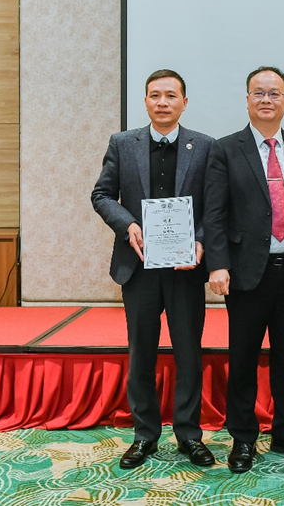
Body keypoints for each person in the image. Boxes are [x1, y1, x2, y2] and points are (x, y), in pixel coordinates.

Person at [203, 66, 284, 474]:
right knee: (242, 359)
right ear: (246, 99)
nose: (266, 99)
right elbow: (214, 213)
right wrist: (217, 264)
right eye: (258, 92)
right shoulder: (225, 148)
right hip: (245, 273)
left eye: (274, 93)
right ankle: (243, 437)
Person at [91, 69, 215, 469]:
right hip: (139, 267)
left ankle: (189, 435)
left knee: (188, 354)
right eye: (155, 95)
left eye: (171, 95)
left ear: (184, 102)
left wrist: (200, 240)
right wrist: (127, 224)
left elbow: (215, 204)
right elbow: (102, 194)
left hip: (185, 268)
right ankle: (144, 435)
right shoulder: (122, 143)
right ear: (145, 101)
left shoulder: (205, 146)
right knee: (141, 353)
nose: (163, 102)